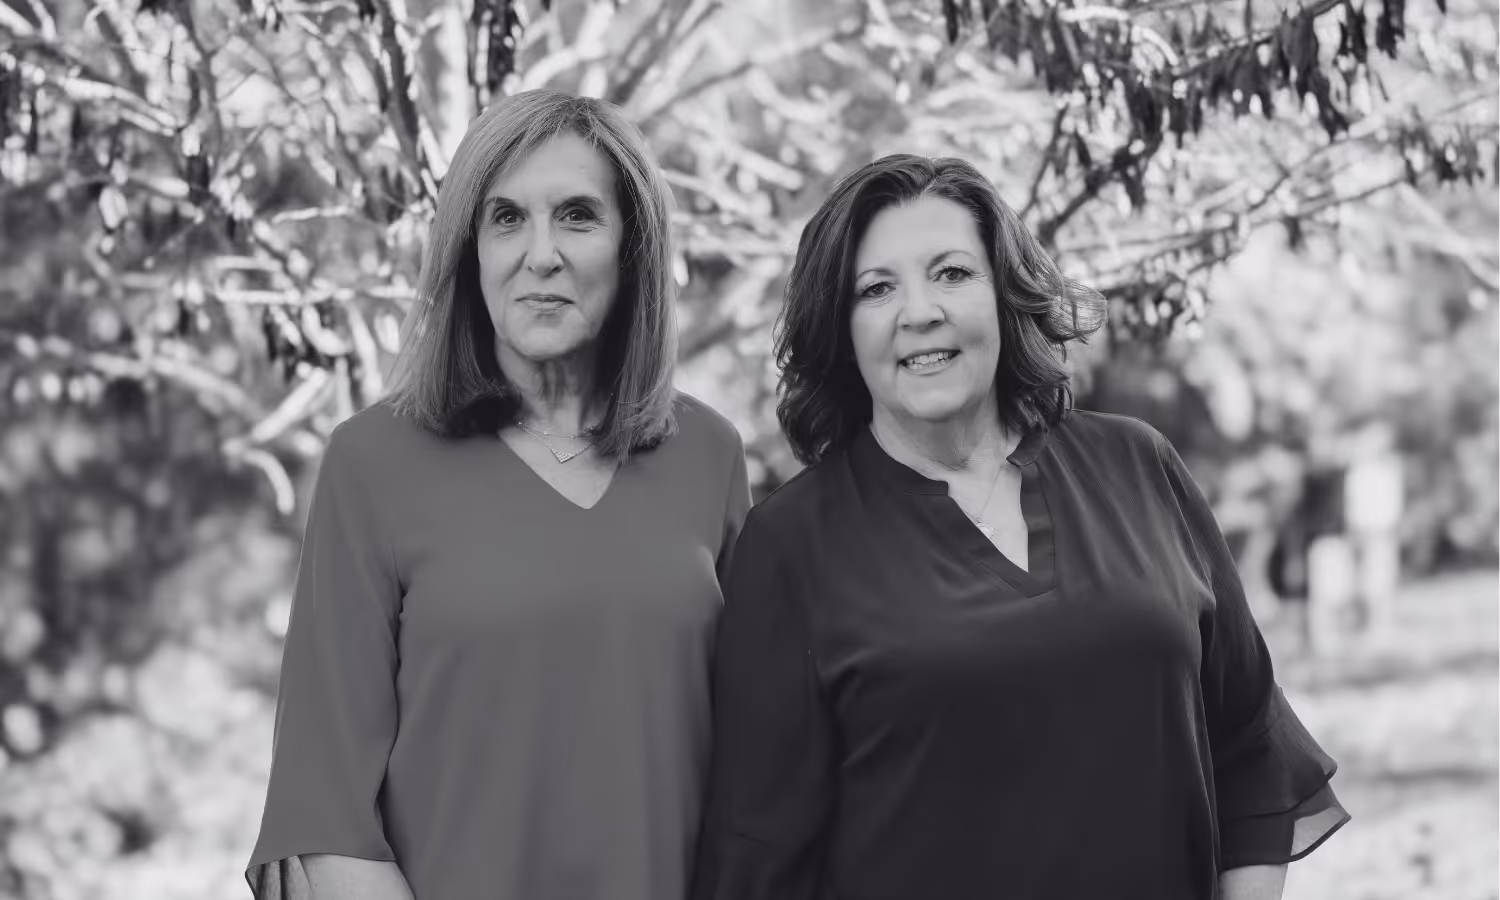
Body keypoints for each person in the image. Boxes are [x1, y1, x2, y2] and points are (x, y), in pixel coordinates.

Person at [690, 155, 1348, 900]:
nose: (920, 311)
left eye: (952, 273)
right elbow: (758, 860)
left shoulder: (1137, 466)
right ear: (840, 331)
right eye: (877, 289)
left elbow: (1250, 746)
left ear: (1004, 293)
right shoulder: (789, 545)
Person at [247, 90, 751, 900]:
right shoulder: (372, 463)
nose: (539, 254)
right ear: (468, 251)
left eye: (579, 216)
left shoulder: (710, 455)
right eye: (506, 218)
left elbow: (752, 777)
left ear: (634, 249)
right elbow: (325, 812)